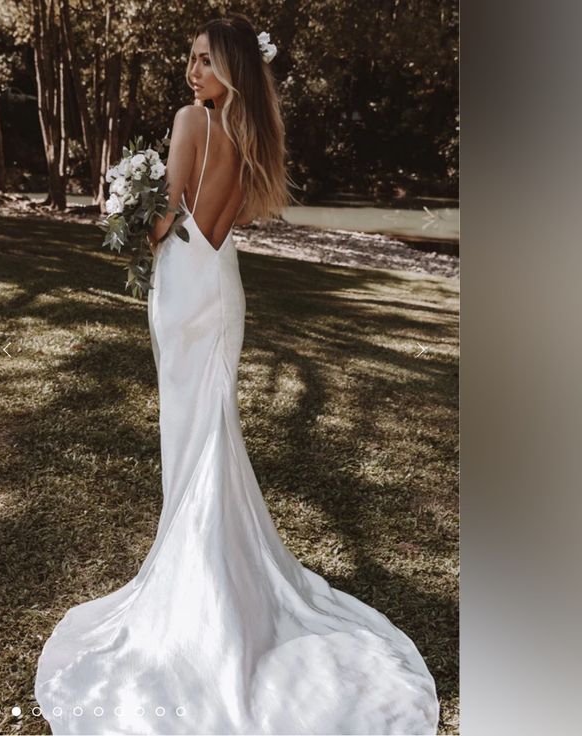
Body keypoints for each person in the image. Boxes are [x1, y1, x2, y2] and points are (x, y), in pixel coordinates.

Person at [35, 13, 440, 735]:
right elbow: (224, 217)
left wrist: (124, 206)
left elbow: (168, 216)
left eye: (203, 61)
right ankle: (220, 575)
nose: (192, 74)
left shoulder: (192, 120)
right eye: (189, 62)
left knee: (190, 431)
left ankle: (196, 585)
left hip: (184, 283)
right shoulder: (254, 132)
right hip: (220, 284)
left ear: (228, 68)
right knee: (209, 428)